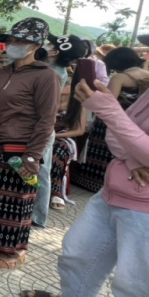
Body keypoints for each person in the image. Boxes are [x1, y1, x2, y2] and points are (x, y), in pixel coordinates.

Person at [22, 77, 149, 297]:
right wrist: (134, 161)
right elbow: (116, 138)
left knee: (139, 282)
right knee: (78, 249)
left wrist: (110, 110)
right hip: (114, 189)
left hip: (147, 206)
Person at [0, 18, 60, 269]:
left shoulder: (45, 76)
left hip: (18, 148)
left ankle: (14, 249)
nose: (13, 45)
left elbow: (46, 119)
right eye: (12, 40)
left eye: (21, 41)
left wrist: (33, 155)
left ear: (35, 45)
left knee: (14, 202)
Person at [72, 47, 149, 193]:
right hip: (132, 121)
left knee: (101, 149)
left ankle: (91, 180)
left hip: (112, 118)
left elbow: (109, 100)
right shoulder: (147, 74)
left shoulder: (119, 77)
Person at [31, 34, 87, 228]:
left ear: (54, 51)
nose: (45, 46)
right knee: (40, 170)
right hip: (42, 127)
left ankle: (37, 216)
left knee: (41, 171)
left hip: (40, 127)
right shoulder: (55, 70)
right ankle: (36, 213)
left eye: (49, 44)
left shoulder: (51, 72)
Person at [48, 68, 88, 211]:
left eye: (66, 83)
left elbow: (79, 130)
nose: (62, 85)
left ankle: (56, 192)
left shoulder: (77, 104)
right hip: (43, 134)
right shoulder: (48, 99)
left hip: (64, 136)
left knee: (59, 148)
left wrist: (54, 136)